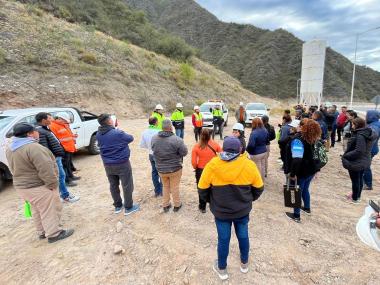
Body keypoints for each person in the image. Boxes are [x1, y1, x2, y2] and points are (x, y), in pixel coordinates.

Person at [198, 136, 264, 280]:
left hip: (221, 212)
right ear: (240, 149)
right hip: (242, 211)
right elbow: (259, 188)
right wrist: (247, 200)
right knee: (243, 236)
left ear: (222, 149)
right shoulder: (249, 165)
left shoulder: (213, 164)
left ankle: (222, 269)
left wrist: (213, 202)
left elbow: (202, 188)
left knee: (223, 239)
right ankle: (244, 264)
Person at [6, 123, 74, 243]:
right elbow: (46, 168)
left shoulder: (11, 147)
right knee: (49, 209)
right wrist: (53, 185)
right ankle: (54, 233)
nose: (38, 133)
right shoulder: (33, 148)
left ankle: (42, 231)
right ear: (29, 134)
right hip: (37, 186)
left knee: (37, 209)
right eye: (35, 131)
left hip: (22, 187)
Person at [96, 114, 140, 215]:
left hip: (107, 164)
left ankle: (118, 206)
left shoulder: (98, 134)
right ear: (109, 121)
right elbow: (130, 138)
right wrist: (119, 132)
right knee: (127, 185)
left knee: (113, 185)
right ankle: (129, 207)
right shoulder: (117, 133)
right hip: (122, 163)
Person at [35, 112, 79, 203]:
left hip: (57, 157)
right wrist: (54, 157)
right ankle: (65, 196)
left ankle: (62, 195)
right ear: (43, 120)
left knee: (61, 176)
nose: (52, 120)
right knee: (60, 176)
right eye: (50, 118)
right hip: (54, 158)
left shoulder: (45, 129)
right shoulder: (41, 131)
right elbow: (45, 148)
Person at [283, 119, 322, 222]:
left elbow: (296, 159)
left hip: (301, 172)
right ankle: (307, 208)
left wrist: (293, 173)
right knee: (305, 189)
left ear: (303, 128)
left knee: (297, 192)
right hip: (311, 170)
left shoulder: (298, 140)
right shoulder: (313, 138)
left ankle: (296, 215)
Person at [151, 119, 188, 213]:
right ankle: (177, 205)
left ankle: (165, 205)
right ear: (171, 127)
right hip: (175, 168)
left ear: (162, 127)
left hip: (161, 169)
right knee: (174, 187)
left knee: (165, 186)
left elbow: (153, 150)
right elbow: (184, 152)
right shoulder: (177, 139)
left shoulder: (154, 138)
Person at [342, 117, 377, 204]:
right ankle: (357, 196)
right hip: (364, 160)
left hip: (357, 161)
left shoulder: (360, 135)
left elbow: (359, 150)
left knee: (356, 180)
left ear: (357, 125)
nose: (352, 126)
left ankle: (355, 199)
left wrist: (346, 155)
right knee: (359, 179)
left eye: (353, 124)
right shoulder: (367, 132)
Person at [191, 129, 222, 213]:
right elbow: (222, 153)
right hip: (213, 169)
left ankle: (202, 206)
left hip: (201, 170)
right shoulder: (215, 144)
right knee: (213, 187)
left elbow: (193, 162)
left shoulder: (197, 146)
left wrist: (196, 167)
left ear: (200, 135)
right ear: (210, 135)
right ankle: (213, 204)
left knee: (201, 187)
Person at [49, 113, 80, 187]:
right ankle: (67, 180)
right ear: (59, 119)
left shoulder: (64, 125)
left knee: (68, 164)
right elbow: (55, 139)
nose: (65, 122)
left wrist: (73, 136)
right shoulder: (53, 126)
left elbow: (67, 135)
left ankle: (71, 176)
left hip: (69, 148)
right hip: (63, 149)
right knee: (64, 165)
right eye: (64, 120)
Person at [140, 117, 163, 197]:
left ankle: (157, 191)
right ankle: (162, 191)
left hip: (151, 153)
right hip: (159, 154)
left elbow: (143, 145)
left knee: (154, 172)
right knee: (161, 172)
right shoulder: (159, 132)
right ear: (156, 122)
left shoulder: (144, 132)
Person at [363, 110, 380, 190]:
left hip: (370, 149)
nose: (366, 117)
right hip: (372, 148)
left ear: (371, 116)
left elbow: (372, 139)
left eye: (367, 115)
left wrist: (366, 149)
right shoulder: (373, 124)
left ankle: (368, 184)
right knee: (364, 165)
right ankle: (365, 182)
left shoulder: (374, 126)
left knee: (365, 166)